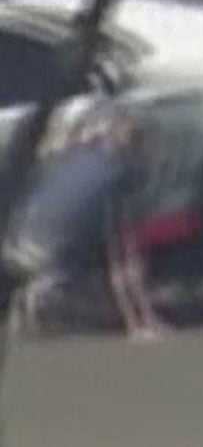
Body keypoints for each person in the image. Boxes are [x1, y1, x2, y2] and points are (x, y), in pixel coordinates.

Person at [5, 109, 168, 341]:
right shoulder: (122, 171)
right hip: (84, 230)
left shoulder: (85, 156)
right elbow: (120, 223)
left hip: (31, 229)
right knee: (127, 268)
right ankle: (138, 324)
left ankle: (142, 321)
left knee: (124, 268)